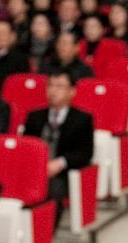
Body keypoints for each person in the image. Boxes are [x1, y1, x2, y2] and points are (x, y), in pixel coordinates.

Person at [22, 70, 94, 204]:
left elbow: (84, 153)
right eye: (50, 85)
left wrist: (61, 163)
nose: (53, 91)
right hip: (34, 169)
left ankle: (46, 224)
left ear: (72, 91)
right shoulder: (34, 117)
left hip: (63, 173)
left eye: (59, 86)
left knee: (54, 188)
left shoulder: (82, 119)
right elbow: (26, 146)